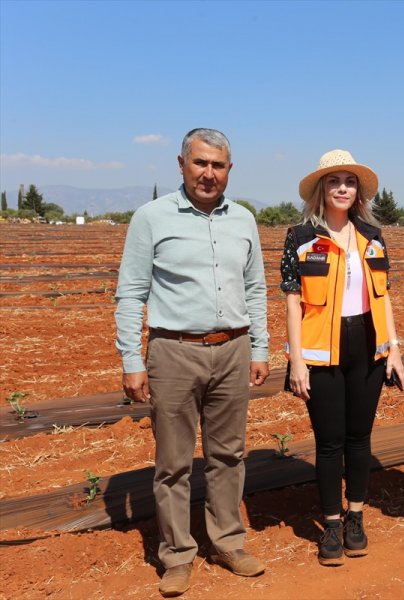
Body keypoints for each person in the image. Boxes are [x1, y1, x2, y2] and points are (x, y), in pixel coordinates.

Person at [114, 128, 270, 597]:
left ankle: (227, 542)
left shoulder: (243, 219)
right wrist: (131, 358)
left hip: (232, 349)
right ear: (181, 164)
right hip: (173, 351)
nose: (208, 173)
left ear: (229, 169)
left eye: (217, 165)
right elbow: (131, 292)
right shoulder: (151, 218)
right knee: (173, 462)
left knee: (228, 454)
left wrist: (259, 348)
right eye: (199, 163)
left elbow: (256, 289)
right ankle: (177, 555)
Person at [280, 149, 404, 566]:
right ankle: (331, 524)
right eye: (334, 182)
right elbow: (292, 303)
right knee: (329, 441)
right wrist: (297, 361)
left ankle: (356, 517)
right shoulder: (300, 238)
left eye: (349, 182)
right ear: (321, 189)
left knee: (359, 438)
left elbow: (383, 296)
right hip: (321, 352)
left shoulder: (372, 235)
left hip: (367, 345)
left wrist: (393, 349)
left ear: (358, 192)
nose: (342, 189)